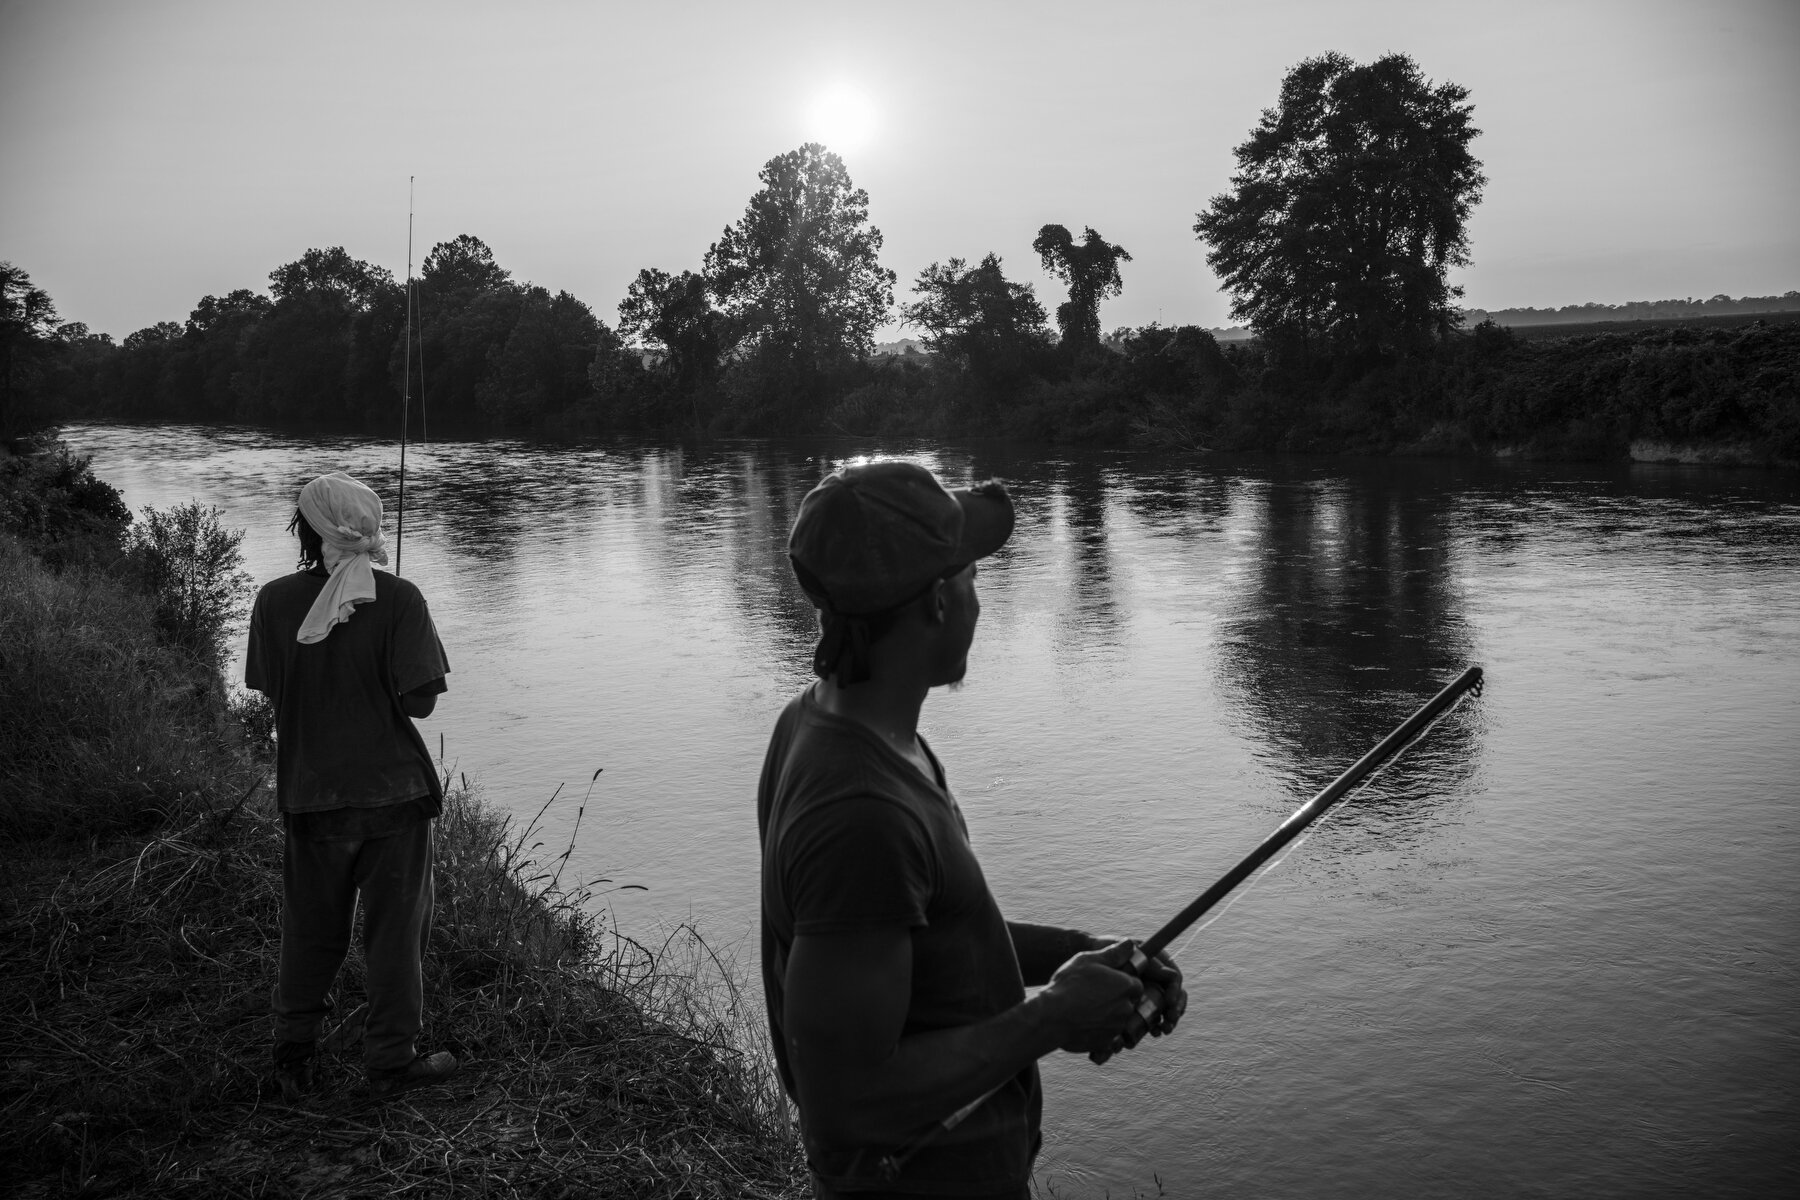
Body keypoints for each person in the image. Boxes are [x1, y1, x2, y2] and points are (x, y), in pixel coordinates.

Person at [758, 460, 1188, 1199]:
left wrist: (1082, 958)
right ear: (934, 601)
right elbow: (846, 1104)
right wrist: (1052, 1017)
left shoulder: (829, 722)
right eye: (973, 578)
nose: (978, 601)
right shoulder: (860, 814)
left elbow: (919, 935)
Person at [245, 471, 459, 1100]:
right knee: (395, 934)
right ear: (369, 530)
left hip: (311, 794)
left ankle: (294, 1055)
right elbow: (420, 704)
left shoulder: (274, 600)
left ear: (306, 530)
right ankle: (391, 1059)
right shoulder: (399, 598)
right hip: (395, 797)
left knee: (311, 927)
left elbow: (266, 686)